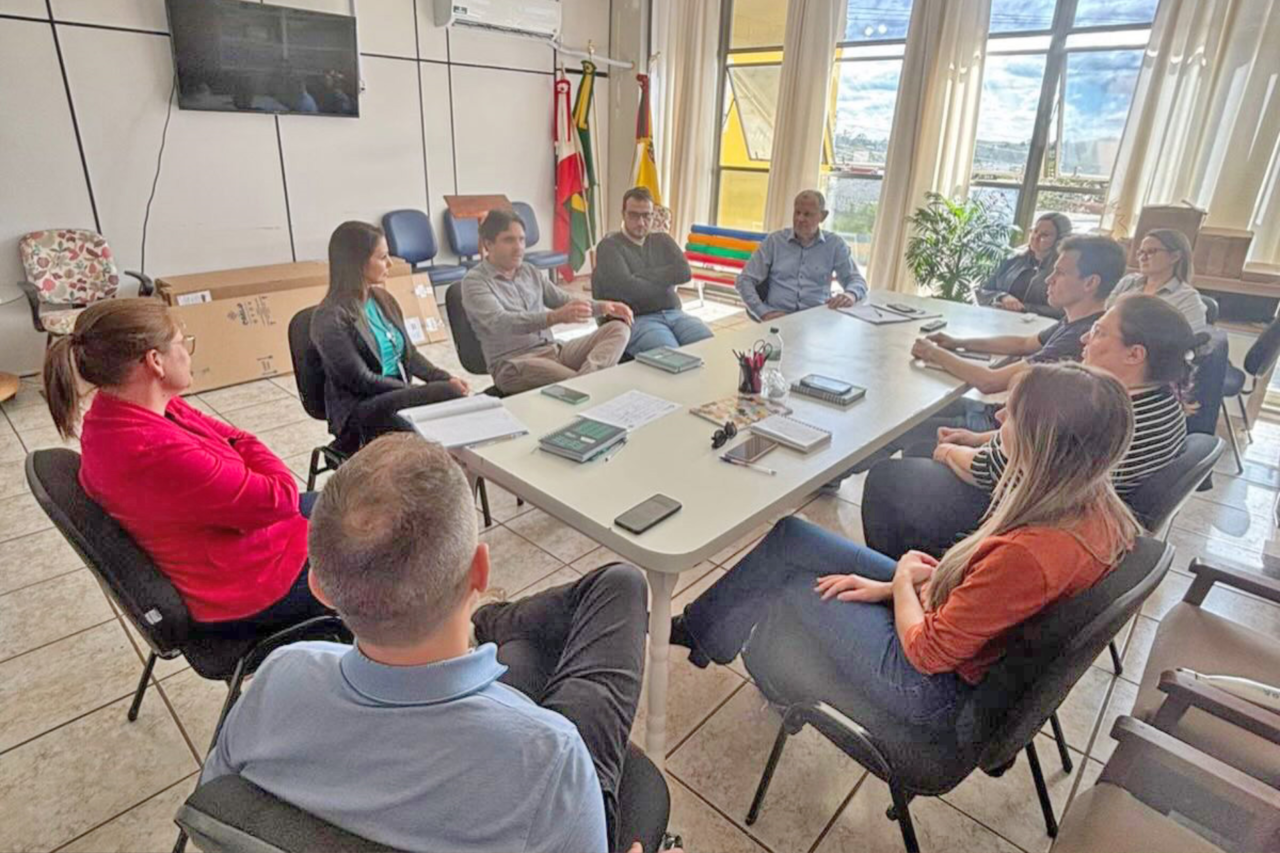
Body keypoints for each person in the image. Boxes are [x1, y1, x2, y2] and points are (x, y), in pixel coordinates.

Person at [200, 435, 666, 853]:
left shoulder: (281, 673)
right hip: (540, 784)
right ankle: (487, 623)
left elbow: (218, 802)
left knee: (526, 650)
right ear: (480, 572)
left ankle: (488, 626)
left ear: (321, 589)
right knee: (619, 586)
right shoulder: (552, 755)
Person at [669, 363, 1139, 732]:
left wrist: (898, 583)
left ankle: (755, 662)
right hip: (948, 622)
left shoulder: (1033, 553)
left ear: (1044, 441)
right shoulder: (1094, 508)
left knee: (792, 583)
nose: (998, 418)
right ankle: (702, 630)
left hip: (926, 687)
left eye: (1012, 413)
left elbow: (927, 655)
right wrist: (893, 587)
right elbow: (993, 598)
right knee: (794, 536)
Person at [43, 299, 327, 635]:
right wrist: (245, 447)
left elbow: (233, 440)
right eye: (182, 344)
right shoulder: (151, 449)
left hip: (239, 545)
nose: (188, 354)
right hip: (250, 588)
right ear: (155, 361)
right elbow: (279, 494)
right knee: (389, 552)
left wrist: (241, 448)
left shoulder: (125, 410)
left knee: (354, 505)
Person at [863, 295, 1197, 559]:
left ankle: (906, 585)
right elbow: (1048, 443)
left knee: (888, 477)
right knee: (923, 449)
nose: (1085, 336)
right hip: (1071, 513)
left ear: (1135, 355)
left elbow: (991, 472)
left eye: (1099, 332)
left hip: (1035, 522)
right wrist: (979, 437)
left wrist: (951, 450)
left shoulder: (1097, 408)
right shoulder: (1163, 401)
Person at [899, 234, 1126, 444]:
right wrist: (959, 342)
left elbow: (990, 382)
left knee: (905, 427)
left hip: (1003, 432)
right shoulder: (1076, 321)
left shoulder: (1080, 338)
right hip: (999, 415)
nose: (1049, 279)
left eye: (1060, 273)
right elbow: (1023, 343)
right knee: (915, 408)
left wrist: (933, 353)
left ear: (1090, 283)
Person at [311, 221, 469, 454]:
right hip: (359, 411)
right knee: (446, 399)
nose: (390, 263)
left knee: (453, 401)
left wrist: (443, 377)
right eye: (382, 257)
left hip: (394, 398)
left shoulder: (383, 300)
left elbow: (410, 355)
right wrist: (413, 392)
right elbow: (361, 380)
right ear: (357, 263)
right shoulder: (329, 317)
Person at [462, 209, 635, 394]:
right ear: (488, 244)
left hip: (554, 351)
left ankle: (586, 380)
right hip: (515, 363)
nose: (519, 247)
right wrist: (554, 317)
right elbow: (501, 322)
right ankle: (586, 384)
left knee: (619, 329)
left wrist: (604, 307)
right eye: (509, 240)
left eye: (521, 239)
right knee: (578, 386)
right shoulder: (474, 281)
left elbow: (563, 300)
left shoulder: (529, 271)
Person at [592, 186, 713, 356]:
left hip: (675, 314)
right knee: (672, 357)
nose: (641, 222)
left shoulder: (662, 240)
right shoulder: (609, 246)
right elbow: (627, 288)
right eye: (634, 215)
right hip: (638, 319)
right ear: (623, 214)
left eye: (646, 215)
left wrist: (643, 275)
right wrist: (665, 281)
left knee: (710, 347)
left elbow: (684, 272)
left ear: (653, 215)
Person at [734, 190, 868, 321]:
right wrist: (763, 312)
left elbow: (856, 280)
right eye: (797, 212)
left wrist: (850, 295)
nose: (800, 219)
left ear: (822, 216)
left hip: (816, 320)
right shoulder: (774, 241)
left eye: (807, 214)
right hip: (778, 318)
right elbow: (744, 280)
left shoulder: (834, 245)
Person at [1107, 229, 1207, 332]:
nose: (1143, 258)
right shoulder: (1128, 282)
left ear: (1175, 256)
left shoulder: (1187, 299)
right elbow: (1104, 313)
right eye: (1141, 252)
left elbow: (1190, 340)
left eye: (1151, 252)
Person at [976, 212, 1071, 317]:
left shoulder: (1066, 271)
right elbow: (982, 291)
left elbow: (1065, 310)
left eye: (1045, 235)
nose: (1036, 237)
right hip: (999, 320)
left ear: (1060, 240)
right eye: (1034, 231)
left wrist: (1023, 308)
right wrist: (1002, 297)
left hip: (1042, 328)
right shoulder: (1013, 260)